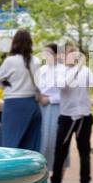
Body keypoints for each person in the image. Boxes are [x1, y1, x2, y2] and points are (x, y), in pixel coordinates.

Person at [49, 47, 93, 183]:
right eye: (66, 54)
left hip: (84, 117)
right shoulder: (59, 71)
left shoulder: (85, 71)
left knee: (84, 152)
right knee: (60, 151)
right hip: (67, 117)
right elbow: (63, 85)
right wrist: (78, 68)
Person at [0, 29, 45, 152]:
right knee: (31, 146)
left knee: (9, 145)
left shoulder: (10, 61)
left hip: (14, 105)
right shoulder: (36, 61)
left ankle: (9, 171)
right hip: (32, 105)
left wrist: (8, 85)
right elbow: (40, 84)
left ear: (15, 42)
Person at [36, 43, 65, 171]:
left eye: (48, 52)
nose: (45, 55)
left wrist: (50, 99)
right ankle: (43, 173)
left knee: (55, 141)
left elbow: (65, 93)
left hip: (55, 109)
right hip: (41, 108)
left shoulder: (63, 70)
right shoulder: (41, 70)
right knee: (42, 142)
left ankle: (58, 176)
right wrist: (39, 97)